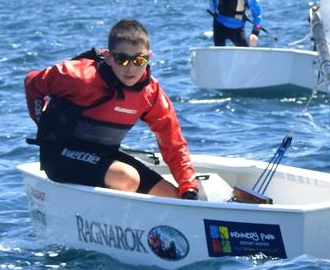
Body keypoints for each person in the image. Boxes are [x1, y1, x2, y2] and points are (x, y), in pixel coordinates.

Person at [24, 18, 199, 199]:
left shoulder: (151, 93)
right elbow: (32, 82)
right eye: (122, 59)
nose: (131, 68)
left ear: (149, 57)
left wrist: (189, 186)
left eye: (139, 60)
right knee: (127, 178)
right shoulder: (81, 77)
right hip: (61, 154)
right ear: (109, 56)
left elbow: (173, 142)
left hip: (104, 155)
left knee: (171, 195)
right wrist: (41, 123)